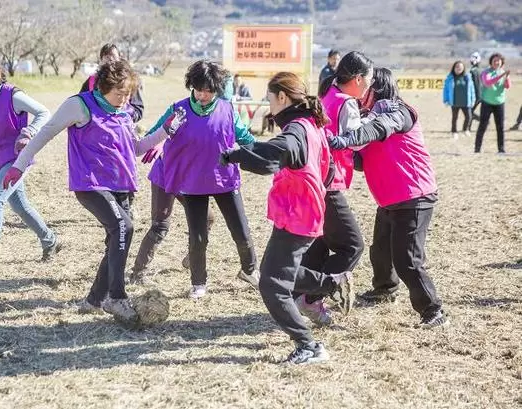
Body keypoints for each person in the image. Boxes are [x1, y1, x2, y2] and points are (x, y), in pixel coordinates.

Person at [2, 59, 187, 326]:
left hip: (123, 185)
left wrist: (165, 132)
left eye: (128, 94)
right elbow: (46, 133)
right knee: (124, 227)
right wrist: (19, 166)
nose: (125, 100)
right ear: (103, 86)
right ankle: (116, 296)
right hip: (91, 184)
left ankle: (94, 299)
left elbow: (134, 148)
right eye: (120, 93)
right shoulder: (79, 105)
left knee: (117, 238)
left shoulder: (122, 112)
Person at [219, 72, 354, 364]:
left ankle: (308, 346)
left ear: (282, 97)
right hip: (302, 211)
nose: (269, 106)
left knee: (271, 284)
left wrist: (236, 155)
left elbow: (273, 155)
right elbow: (324, 166)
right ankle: (332, 283)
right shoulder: (311, 124)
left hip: (299, 214)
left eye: (269, 99)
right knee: (278, 271)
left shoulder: (296, 130)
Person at [328, 67, 448, 328]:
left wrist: (344, 139)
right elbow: (361, 158)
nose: (360, 93)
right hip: (390, 198)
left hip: (414, 194)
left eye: (366, 87)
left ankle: (433, 310)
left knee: (407, 260)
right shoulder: (365, 117)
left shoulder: (399, 111)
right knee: (380, 251)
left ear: (377, 88)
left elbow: (380, 128)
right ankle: (385, 288)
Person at [141, 60, 259, 299]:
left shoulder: (227, 110)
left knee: (242, 231)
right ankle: (198, 283)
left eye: (209, 90)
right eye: (199, 89)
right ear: (191, 87)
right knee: (198, 236)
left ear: (217, 89)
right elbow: (154, 133)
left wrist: (266, 153)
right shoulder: (179, 109)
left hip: (224, 179)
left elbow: (246, 138)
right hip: (193, 183)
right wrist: (159, 139)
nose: (203, 95)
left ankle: (249, 270)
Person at [0, 53, 60, 272]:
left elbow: (44, 112)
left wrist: (28, 132)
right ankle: (50, 240)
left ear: (0, 73)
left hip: (17, 159)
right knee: (20, 206)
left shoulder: (12, 95)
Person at [297, 51, 373, 322]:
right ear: (356, 79)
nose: (368, 87)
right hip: (328, 183)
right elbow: (357, 140)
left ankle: (300, 295)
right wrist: (372, 123)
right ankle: (311, 298)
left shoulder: (327, 93)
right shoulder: (347, 103)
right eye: (368, 80)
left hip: (313, 178)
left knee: (319, 245)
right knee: (352, 246)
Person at [80, 43, 144, 123]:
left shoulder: (128, 81)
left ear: (119, 58)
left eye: (113, 56)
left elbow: (138, 110)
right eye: (106, 57)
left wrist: (122, 116)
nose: (110, 59)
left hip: (122, 129)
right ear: (101, 60)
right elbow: (81, 105)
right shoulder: (91, 81)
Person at [474, 53, 511, 153]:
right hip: (487, 102)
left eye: (498, 60)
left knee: (500, 127)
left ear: (501, 62)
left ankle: (501, 149)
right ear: (491, 62)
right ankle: (477, 149)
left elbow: (507, 86)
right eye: (494, 60)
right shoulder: (486, 72)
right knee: (483, 125)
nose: (496, 62)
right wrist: (502, 75)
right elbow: (488, 82)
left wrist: (506, 77)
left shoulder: (503, 72)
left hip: (499, 103)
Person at [443, 60, 476, 139]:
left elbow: (472, 89)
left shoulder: (467, 77)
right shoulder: (450, 78)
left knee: (469, 116)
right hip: (454, 101)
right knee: (455, 118)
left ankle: (465, 129)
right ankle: (454, 131)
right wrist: (446, 100)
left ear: (463, 68)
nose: (458, 68)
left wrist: (473, 99)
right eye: (457, 67)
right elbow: (446, 90)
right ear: (454, 68)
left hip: (466, 101)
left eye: (460, 67)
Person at [469, 52, 482, 126]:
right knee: (470, 111)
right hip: (480, 95)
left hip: (476, 95)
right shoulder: (480, 70)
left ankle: (468, 127)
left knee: (469, 111)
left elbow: (475, 84)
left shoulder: (472, 71)